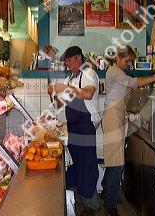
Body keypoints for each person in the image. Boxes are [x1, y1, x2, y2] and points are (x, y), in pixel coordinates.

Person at [101, 45, 155, 216]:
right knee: (116, 162)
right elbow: (132, 82)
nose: (128, 64)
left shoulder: (117, 72)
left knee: (113, 159)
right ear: (117, 58)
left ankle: (106, 193)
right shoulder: (115, 71)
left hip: (117, 116)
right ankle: (110, 204)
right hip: (112, 117)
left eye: (130, 61)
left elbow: (129, 88)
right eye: (126, 60)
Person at [48, 46, 101, 216]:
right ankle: (79, 199)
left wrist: (63, 87)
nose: (67, 63)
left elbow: (88, 94)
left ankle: (92, 205)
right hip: (73, 125)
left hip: (86, 126)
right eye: (66, 61)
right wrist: (53, 93)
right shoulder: (71, 78)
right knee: (77, 163)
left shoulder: (88, 73)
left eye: (69, 60)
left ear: (78, 58)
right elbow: (60, 103)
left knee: (87, 164)